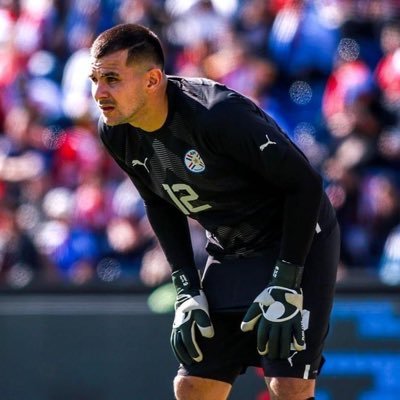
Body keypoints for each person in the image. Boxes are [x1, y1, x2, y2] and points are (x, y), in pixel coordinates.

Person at [89, 23, 340, 400]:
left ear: (153, 80)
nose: (98, 93)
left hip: (296, 241)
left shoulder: (216, 115)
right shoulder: (117, 130)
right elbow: (158, 203)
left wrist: (287, 280)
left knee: (288, 385)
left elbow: (305, 184)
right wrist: (186, 288)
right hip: (229, 248)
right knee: (192, 387)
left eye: (111, 79)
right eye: (94, 78)